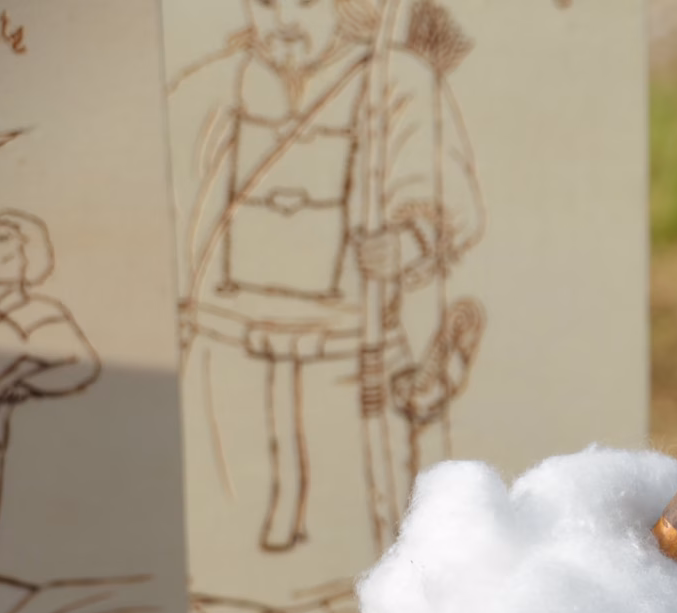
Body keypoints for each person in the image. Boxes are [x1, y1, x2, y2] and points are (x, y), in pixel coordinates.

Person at [170, 0, 483, 553]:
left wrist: (409, 239)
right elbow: (171, 197)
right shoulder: (214, 84)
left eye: (306, 2)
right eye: (266, 4)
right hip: (227, 361)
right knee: (226, 556)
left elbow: (447, 191)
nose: (284, 21)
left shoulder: (396, 79)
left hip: (346, 360)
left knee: (355, 554)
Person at [0, 211, 99, 597]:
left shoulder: (42, 314)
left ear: (27, 255)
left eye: (2, 239)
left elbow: (82, 365)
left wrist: (26, 385)